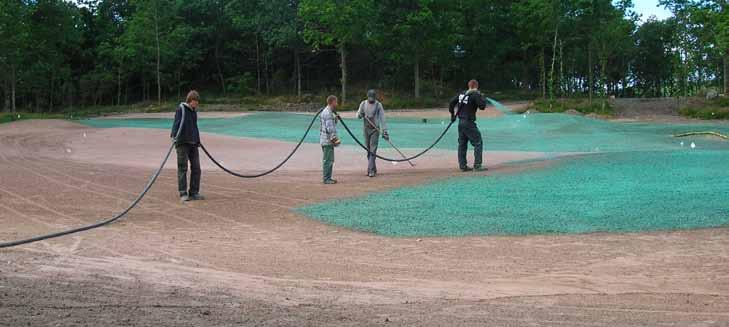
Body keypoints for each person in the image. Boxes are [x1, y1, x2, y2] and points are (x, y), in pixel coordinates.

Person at [171, 90, 205, 201]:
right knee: (183, 168)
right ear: (190, 100)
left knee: (196, 168)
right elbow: (176, 124)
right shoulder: (181, 109)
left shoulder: (194, 111)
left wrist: (198, 140)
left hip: (193, 143)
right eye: (196, 102)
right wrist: (174, 136)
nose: (197, 104)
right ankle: (183, 193)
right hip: (182, 143)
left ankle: (194, 192)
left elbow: (195, 127)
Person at [449, 80, 487, 172]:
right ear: (476, 86)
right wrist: (482, 97)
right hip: (469, 122)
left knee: (462, 144)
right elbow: (482, 106)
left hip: (461, 122)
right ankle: (477, 165)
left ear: (469, 85)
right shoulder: (475, 95)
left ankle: (463, 166)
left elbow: (451, 103)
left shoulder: (462, 93)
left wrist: (452, 115)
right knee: (478, 142)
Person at [356, 89, 389, 177]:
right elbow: (358, 115)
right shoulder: (363, 104)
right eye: (370, 98)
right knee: (368, 150)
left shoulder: (378, 105)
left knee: (373, 150)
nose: (371, 100)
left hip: (375, 130)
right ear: (367, 97)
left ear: (375, 97)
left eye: (373, 98)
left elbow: (382, 118)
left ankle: (370, 170)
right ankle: (373, 168)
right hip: (366, 129)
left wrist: (385, 131)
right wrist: (360, 114)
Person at [320, 95, 340, 184]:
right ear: (332, 102)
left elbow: (330, 124)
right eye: (336, 102)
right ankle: (326, 178)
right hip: (327, 141)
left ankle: (327, 177)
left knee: (328, 159)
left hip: (326, 140)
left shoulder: (328, 112)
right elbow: (329, 128)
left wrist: (335, 119)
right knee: (328, 160)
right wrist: (334, 139)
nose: (337, 104)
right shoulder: (327, 113)